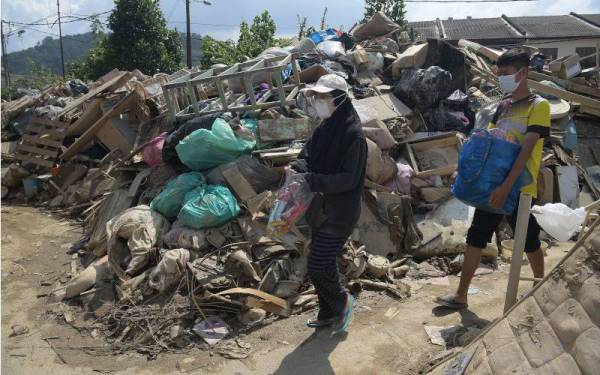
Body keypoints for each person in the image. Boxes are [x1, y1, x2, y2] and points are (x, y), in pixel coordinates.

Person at [435, 49, 550, 309]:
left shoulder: (538, 106)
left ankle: (539, 287)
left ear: (524, 72)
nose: (502, 79)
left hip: (519, 186)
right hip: (492, 185)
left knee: (529, 239)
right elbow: (487, 142)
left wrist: (506, 186)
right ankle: (462, 295)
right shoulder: (503, 106)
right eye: (499, 74)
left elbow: (526, 150)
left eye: (506, 74)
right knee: (476, 235)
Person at [289, 74, 367, 333]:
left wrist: (312, 180)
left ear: (339, 98)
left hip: (341, 211)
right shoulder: (324, 128)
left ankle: (343, 302)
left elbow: (348, 179)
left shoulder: (353, 135)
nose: (319, 101)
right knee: (323, 262)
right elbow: (307, 154)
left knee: (316, 263)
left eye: (324, 97)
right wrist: (297, 167)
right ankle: (327, 312)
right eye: (317, 97)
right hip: (320, 209)